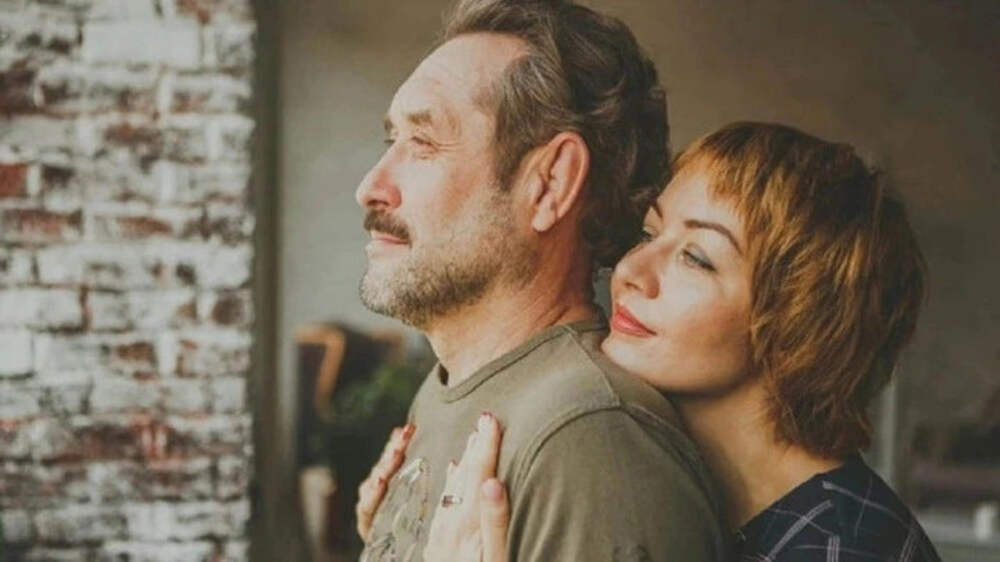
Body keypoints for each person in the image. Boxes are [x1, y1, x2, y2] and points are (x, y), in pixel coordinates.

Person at [361, 122, 942, 562]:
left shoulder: (840, 547)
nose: (631, 271)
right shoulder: (692, 493)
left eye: (696, 258)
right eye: (649, 233)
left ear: (801, 322)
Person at [353, 0, 728, 560]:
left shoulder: (590, 440)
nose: (371, 187)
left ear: (550, 183)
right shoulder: (451, 389)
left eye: (424, 144)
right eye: (393, 142)